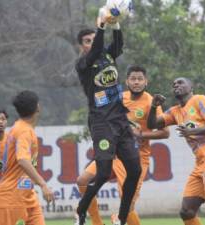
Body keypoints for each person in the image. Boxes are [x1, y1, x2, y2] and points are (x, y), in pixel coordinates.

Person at [76, 65, 169, 225]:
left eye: (140, 79)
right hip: (114, 154)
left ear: (146, 82)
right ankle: (97, 222)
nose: (136, 82)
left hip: (137, 157)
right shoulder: (119, 97)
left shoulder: (151, 102)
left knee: (129, 203)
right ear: (127, 81)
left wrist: (141, 134)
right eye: (133, 79)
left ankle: (118, 219)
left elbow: (165, 132)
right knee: (82, 180)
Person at [74, 11, 141, 225]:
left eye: (93, 39)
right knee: (102, 173)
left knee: (135, 170)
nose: (92, 43)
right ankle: (81, 211)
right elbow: (95, 50)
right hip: (101, 123)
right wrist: (101, 26)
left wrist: (116, 22)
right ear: (81, 46)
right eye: (87, 41)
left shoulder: (107, 55)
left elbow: (118, 44)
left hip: (120, 121)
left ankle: (121, 219)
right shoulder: (83, 63)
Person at [148, 77, 205, 225]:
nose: (176, 85)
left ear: (191, 87)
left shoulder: (199, 100)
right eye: (174, 84)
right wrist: (154, 106)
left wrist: (193, 131)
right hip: (200, 163)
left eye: (180, 83)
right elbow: (152, 124)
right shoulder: (175, 111)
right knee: (187, 211)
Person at [0, 90, 54, 225]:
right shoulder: (23, 131)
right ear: (37, 107)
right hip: (12, 198)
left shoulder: (22, 128)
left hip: (27, 196)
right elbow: (22, 159)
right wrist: (43, 185)